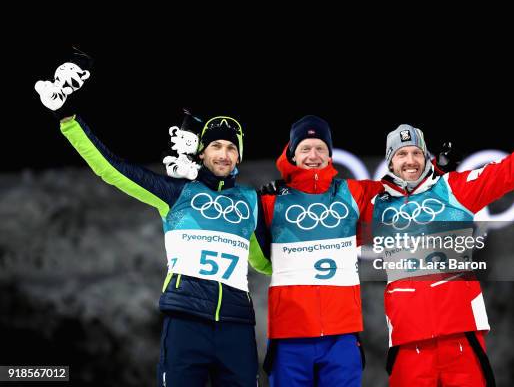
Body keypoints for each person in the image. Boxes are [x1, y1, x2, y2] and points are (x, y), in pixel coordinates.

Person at [35, 51, 271, 387]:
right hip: (186, 321)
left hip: (236, 324)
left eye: (231, 148)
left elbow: (266, 263)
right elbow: (112, 169)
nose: (223, 154)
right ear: (202, 153)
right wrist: (67, 117)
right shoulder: (176, 193)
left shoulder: (249, 201)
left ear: (239, 156)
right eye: (216, 146)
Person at [364, 57, 514, 386]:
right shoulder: (376, 204)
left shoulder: (454, 190)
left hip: (462, 339)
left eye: (416, 152)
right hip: (407, 344)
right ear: (390, 163)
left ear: (426, 157)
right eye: (401, 154)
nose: (410, 159)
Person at [258, 115, 381, 386]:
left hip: (342, 335)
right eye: (305, 148)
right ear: (292, 153)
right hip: (289, 336)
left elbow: (406, 190)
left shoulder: (352, 193)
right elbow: (253, 251)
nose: (313, 155)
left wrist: (437, 171)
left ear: (330, 155)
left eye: (320, 148)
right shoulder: (269, 200)